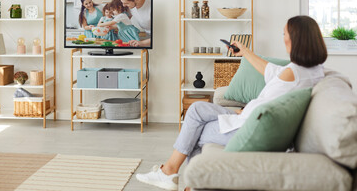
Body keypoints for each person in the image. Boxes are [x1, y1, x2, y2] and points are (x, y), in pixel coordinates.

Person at [136, 15, 328, 191]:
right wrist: (244, 51)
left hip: (250, 126)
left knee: (195, 129)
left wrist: (247, 113)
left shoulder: (294, 73)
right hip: (249, 117)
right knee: (196, 110)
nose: (283, 38)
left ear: (296, 39)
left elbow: (275, 98)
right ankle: (177, 177)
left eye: (284, 34)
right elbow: (271, 72)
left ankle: (176, 176)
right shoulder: (310, 70)